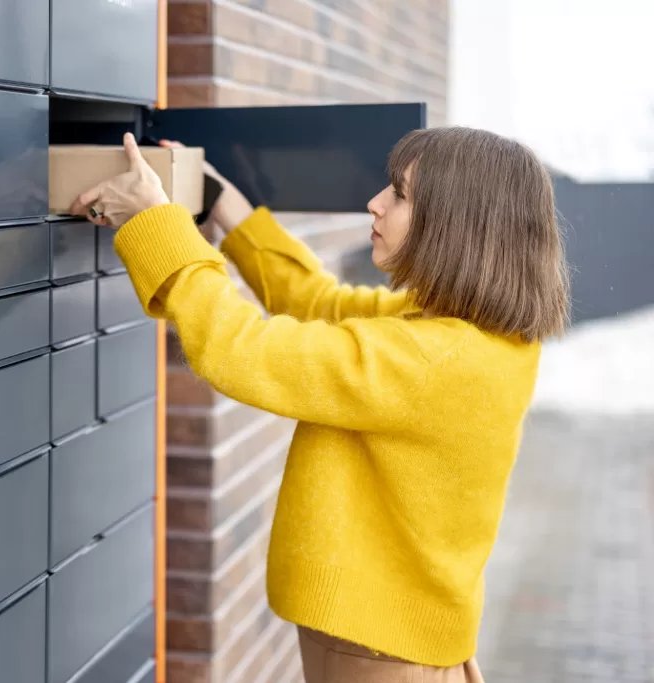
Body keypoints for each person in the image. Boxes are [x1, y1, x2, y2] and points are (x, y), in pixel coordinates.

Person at [70, 128, 569, 683]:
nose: (375, 202)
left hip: (378, 655)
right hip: (396, 644)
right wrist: (221, 203)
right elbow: (319, 304)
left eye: (400, 194)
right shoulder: (476, 336)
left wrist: (155, 224)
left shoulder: (433, 358)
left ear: (457, 225)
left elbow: (241, 352)